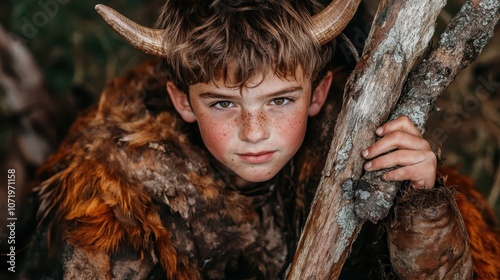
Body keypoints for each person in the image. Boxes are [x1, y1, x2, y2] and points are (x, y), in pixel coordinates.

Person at [20, 0, 499, 279]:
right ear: (184, 102)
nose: (255, 132)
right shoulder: (118, 196)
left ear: (319, 93)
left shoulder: (366, 151)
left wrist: (423, 203)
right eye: (224, 103)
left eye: (280, 100)